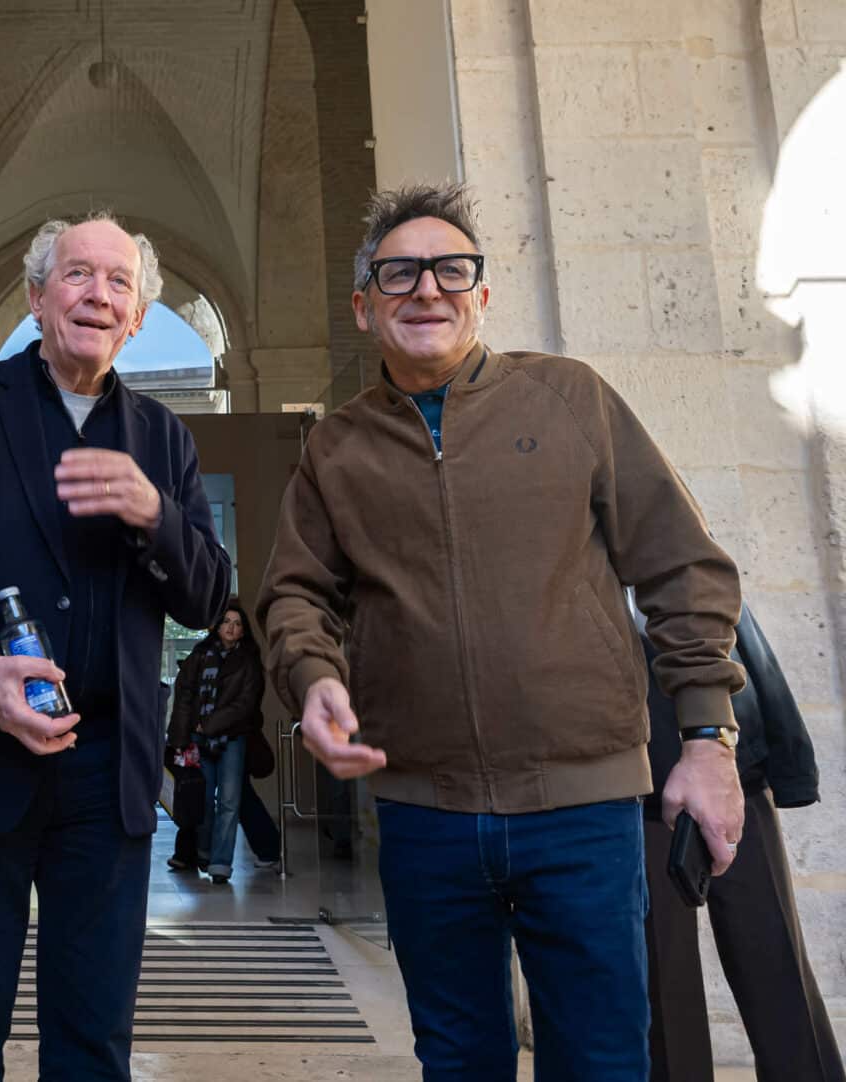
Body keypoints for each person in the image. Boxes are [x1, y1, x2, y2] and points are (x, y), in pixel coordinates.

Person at [257, 182, 748, 1081]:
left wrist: (709, 739)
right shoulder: (336, 448)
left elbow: (684, 568)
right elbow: (295, 595)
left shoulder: (571, 399)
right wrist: (314, 677)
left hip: (584, 810)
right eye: (399, 273)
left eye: (451, 269)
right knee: (457, 1060)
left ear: (481, 295)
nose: (427, 288)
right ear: (364, 307)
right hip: (424, 813)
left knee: (600, 1060)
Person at [0, 212, 232, 1080]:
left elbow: (209, 597)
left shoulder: (164, 439)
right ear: (36, 297)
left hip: (108, 779)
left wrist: (155, 515)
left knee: (93, 1048)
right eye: (77, 274)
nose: (99, 294)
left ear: (137, 317)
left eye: (119, 281)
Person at [640, 603, 844, 1082]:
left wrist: (791, 770)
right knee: (664, 985)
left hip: (734, 777)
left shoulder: (693, 575)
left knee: (775, 959)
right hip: (640, 791)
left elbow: (747, 644)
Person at [165, 600, 266, 882]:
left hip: (232, 739)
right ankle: (204, 852)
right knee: (203, 800)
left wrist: (209, 724)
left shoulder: (248, 661)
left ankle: (221, 865)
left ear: (243, 630)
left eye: (237, 623)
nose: (231, 628)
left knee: (229, 802)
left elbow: (245, 704)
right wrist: (179, 737)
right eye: (227, 622)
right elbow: (184, 696)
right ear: (217, 626)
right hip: (199, 739)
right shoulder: (199, 655)